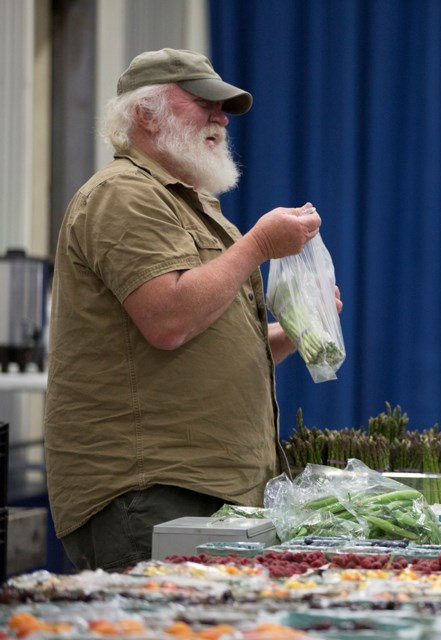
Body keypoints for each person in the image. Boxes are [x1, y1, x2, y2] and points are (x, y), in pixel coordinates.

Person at [43, 48, 339, 571]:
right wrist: (259, 246)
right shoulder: (122, 194)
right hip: (150, 491)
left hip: (202, 489)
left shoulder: (191, 205)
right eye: (202, 102)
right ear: (145, 114)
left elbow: (211, 349)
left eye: (222, 107)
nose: (220, 117)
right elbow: (170, 321)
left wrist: (298, 331)